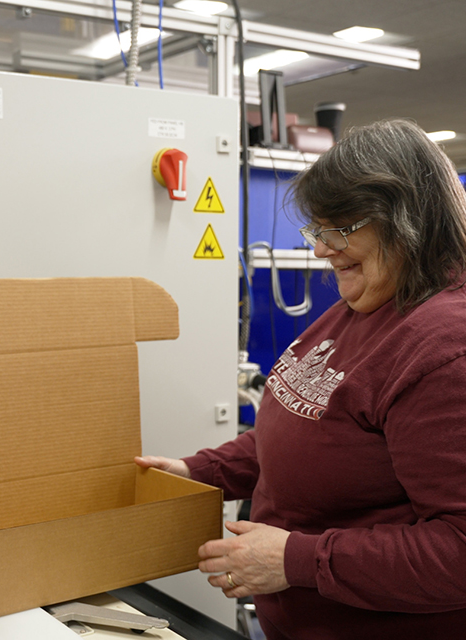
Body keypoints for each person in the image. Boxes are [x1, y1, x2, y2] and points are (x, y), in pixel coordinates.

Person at [137, 119, 466, 639]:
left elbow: (458, 551)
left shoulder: (444, 348)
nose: (320, 249)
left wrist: (296, 559)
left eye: (342, 229)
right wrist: (198, 471)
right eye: (318, 229)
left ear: (408, 219)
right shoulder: (365, 303)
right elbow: (306, 423)